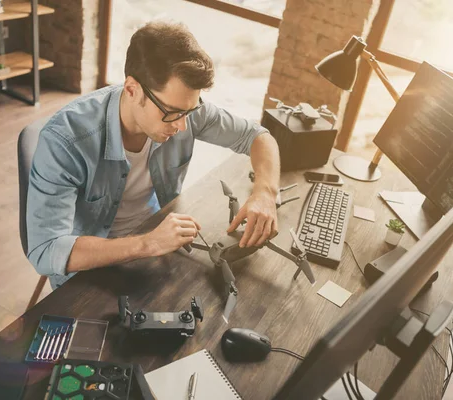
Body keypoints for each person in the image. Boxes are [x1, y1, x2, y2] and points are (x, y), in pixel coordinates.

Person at [27, 22, 280, 289]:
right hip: (91, 267)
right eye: (172, 113)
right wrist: (147, 243)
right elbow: (46, 250)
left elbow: (257, 136)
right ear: (132, 90)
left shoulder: (184, 109)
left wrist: (265, 193)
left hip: (158, 241)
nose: (182, 126)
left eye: (190, 112)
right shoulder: (66, 140)